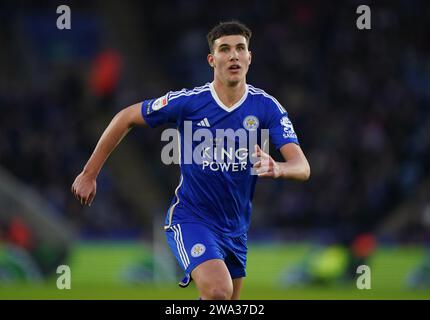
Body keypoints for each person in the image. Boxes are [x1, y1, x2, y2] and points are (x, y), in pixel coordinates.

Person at [71, 20, 310, 300]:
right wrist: (89, 173)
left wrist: (278, 167)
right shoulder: (190, 102)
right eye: (224, 49)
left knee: (225, 301)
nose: (233, 55)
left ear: (249, 57)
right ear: (212, 59)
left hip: (235, 229)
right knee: (219, 291)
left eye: (240, 48)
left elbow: (302, 167)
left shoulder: (267, 107)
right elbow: (125, 117)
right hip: (191, 219)